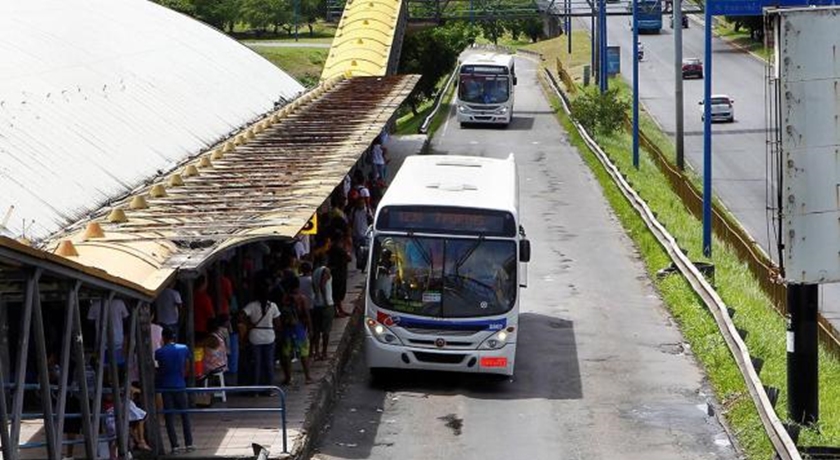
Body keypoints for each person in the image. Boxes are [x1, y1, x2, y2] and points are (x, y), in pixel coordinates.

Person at [155, 327, 193, 454]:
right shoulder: (184, 348)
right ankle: (189, 444)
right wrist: (182, 376)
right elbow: (187, 365)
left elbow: (159, 369)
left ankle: (174, 446)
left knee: (169, 417)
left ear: (163, 337)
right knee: (185, 415)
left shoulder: (159, 352)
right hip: (180, 384)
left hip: (166, 386)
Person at [241, 276, 281, 390]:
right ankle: (269, 389)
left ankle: (255, 389)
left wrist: (249, 324)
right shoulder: (273, 306)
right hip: (269, 335)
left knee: (257, 364)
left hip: (255, 336)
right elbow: (278, 324)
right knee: (269, 364)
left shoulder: (252, 305)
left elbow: (241, 316)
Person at [279, 274, 314, 385]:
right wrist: (310, 328)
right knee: (304, 353)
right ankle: (307, 377)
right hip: (299, 328)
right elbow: (306, 314)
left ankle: (288, 377)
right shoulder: (301, 298)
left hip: (287, 329)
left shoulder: (285, 298)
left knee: (286, 354)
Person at [87, 298, 129, 366]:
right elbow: (126, 322)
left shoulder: (95, 305)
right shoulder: (120, 303)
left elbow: (90, 325)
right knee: (118, 368)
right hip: (118, 341)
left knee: (103, 368)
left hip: (102, 342)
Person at [311, 255, 334, 361]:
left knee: (316, 330)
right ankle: (324, 352)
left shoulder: (315, 272)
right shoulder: (325, 270)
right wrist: (325, 299)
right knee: (326, 331)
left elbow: (314, 286)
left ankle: (316, 352)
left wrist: (317, 296)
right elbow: (322, 284)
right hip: (326, 304)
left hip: (316, 304)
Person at [327, 228, 352, 317]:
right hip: (339, 273)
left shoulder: (331, 248)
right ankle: (336, 311)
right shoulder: (338, 249)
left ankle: (339, 309)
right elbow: (349, 258)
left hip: (337, 272)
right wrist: (347, 248)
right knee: (337, 293)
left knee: (337, 292)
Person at [193, 275, 215, 339]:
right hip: (203, 327)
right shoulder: (204, 298)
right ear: (203, 284)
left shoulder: (192, 295)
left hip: (193, 327)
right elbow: (211, 314)